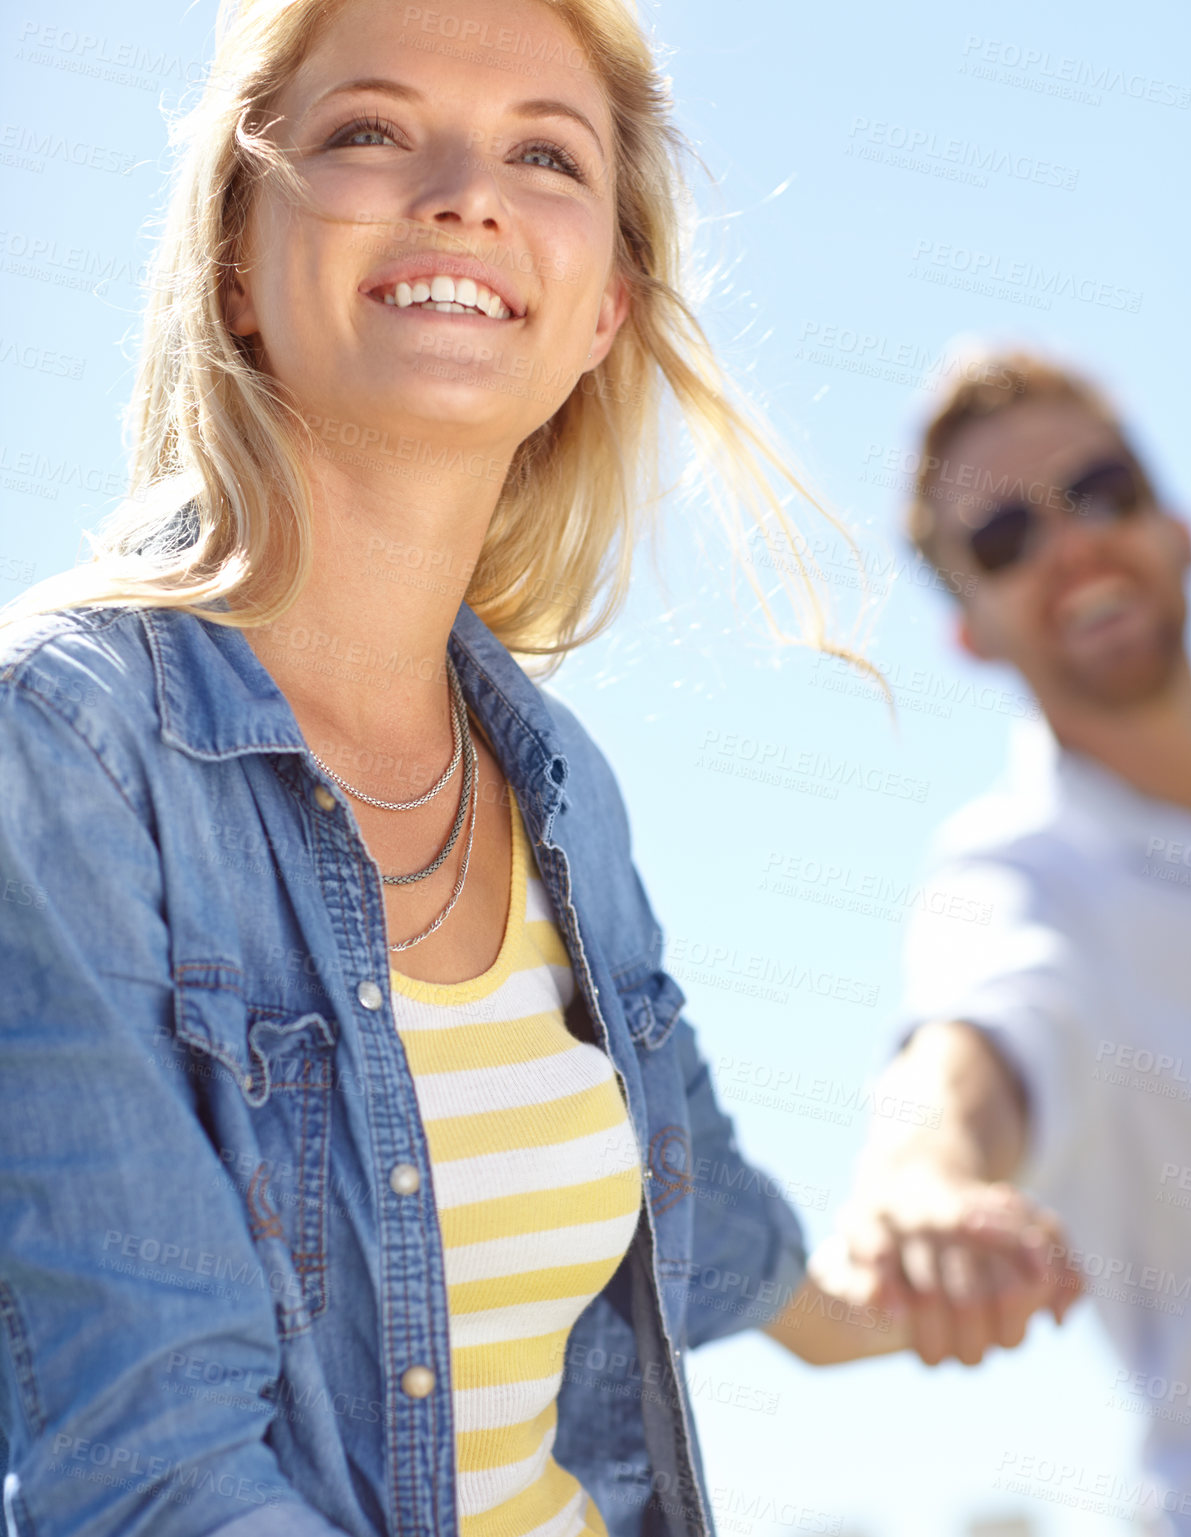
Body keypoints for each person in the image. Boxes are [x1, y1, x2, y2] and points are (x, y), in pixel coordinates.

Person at [0, 2, 906, 1535]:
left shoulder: (562, 787)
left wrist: (898, 1293)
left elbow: (697, 1222)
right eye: (368, 130)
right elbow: (149, 1469)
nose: (464, 192)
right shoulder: (63, 748)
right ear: (234, 252)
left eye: (543, 154)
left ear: (605, 305)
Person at [831, 349, 1191, 1535]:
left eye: (1099, 490)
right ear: (972, 633)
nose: (1073, 545)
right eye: (1002, 538)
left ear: (1178, 526)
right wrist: (918, 1178)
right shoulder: (1027, 874)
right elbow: (973, 1033)